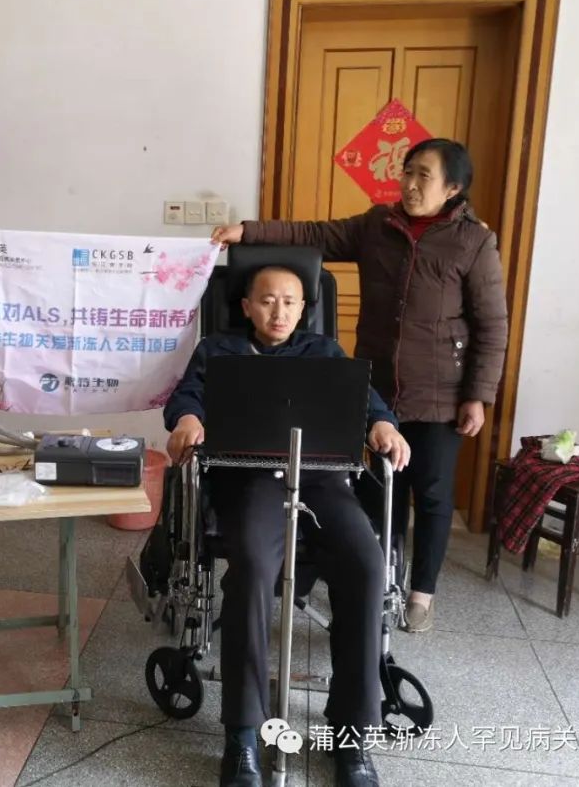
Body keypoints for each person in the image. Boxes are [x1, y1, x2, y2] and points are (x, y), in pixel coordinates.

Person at [212, 138, 509, 633]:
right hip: (375, 382)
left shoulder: (473, 242)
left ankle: (421, 592)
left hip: (440, 390)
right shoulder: (378, 225)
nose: (410, 184)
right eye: (407, 172)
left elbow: (492, 324)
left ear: (453, 188)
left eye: (424, 176)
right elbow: (313, 233)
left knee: (432, 493)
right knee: (375, 488)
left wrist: (478, 395)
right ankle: (375, 577)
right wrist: (247, 231)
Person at [164, 265, 409, 787]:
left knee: (366, 566)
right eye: (267, 300)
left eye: (290, 302)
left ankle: (351, 737)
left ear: (304, 309)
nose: (279, 311)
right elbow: (187, 397)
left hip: (322, 478)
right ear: (247, 306)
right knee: (252, 569)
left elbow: (368, 403)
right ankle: (242, 736)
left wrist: (384, 424)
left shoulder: (325, 352)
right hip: (250, 477)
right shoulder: (218, 351)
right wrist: (187, 419)